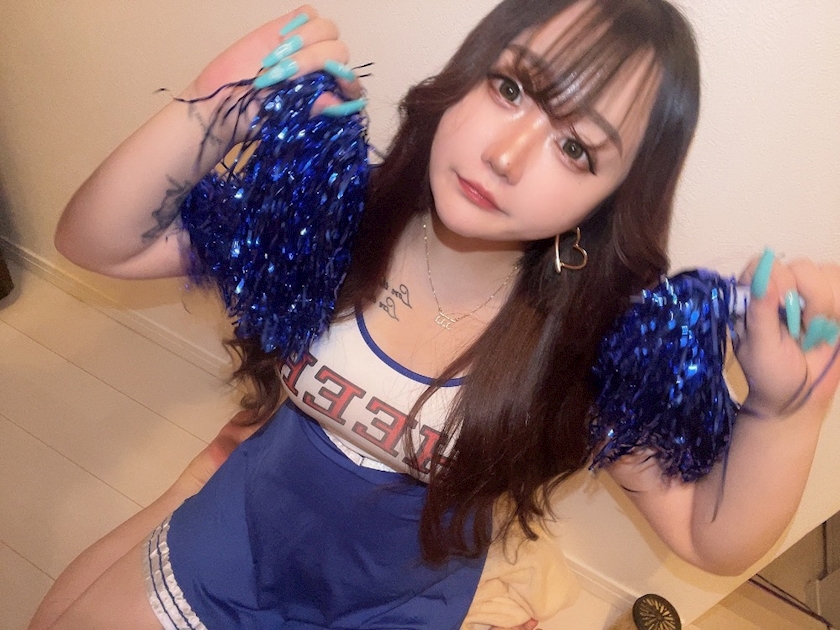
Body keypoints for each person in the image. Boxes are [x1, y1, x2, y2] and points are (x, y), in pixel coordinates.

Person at [30, 0, 840, 628]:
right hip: (239, 541)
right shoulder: (335, 216)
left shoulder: (587, 354)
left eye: (576, 149)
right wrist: (220, 98)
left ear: (610, 201)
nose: (506, 156)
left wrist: (788, 409)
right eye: (511, 88)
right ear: (468, 74)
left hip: (395, 612)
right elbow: (99, 244)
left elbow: (705, 535)